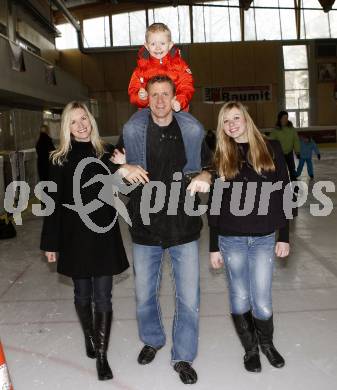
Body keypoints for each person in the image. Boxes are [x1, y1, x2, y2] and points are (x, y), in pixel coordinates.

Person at [117, 75, 211, 385]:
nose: (159, 100)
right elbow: (111, 168)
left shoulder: (191, 132)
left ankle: (183, 356)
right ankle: (153, 339)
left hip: (183, 227)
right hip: (145, 228)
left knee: (188, 298)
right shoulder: (133, 133)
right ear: (147, 98)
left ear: (174, 98)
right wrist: (123, 167)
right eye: (154, 94)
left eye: (165, 94)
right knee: (144, 294)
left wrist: (208, 176)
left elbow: (211, 165)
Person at [40, 101, 129, 381]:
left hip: (103, 232)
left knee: (103, 296)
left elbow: (122, 190)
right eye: (74, 122)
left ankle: (101, 356)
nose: (81, 125)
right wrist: (50, 243)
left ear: (91, 120)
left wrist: (123, 168)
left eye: (84, 119)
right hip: (74, 236)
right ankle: (90, 336)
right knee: (82, 295)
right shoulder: (59, 159)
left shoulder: (106, 153)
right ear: (67, 127)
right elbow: (52, 204)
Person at [208, 101, 290, 373]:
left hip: (264, 238)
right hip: (231, 239)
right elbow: (215, 205)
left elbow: (283, 194)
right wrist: (213, 246)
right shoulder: (221, 155)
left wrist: (284, 236)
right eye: (226, 121)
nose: (232, 124)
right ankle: (250, 349)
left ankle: (267, 344)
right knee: (240, 297)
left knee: (262, 300)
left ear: (246, 119)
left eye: (236, 118)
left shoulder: (271, 148)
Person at [128, 22, 194, 112]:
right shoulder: (140, 70)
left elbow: (187, 87)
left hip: (175, 110)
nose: (158, 48)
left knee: (194, 126)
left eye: (162, 43)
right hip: (148, 110)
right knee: (131, 126)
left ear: (170, 45)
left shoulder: (180, 66)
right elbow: (133, 92)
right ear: (147, 46)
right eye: (153, 44)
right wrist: (141, 98)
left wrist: (179, 101)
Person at [269, 110, 300, 181]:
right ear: (280, 119)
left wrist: (297, 151)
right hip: (280, 154)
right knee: (281, 171)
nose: (286, 119)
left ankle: (295, 186)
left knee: (292, 170)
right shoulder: (276, 130)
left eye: (287, 117)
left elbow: (296, 140)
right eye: (284, 118)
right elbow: (271, 141)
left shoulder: (291, 129)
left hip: (289, 153)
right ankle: (283, 186)